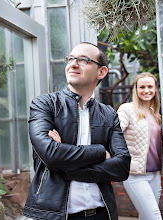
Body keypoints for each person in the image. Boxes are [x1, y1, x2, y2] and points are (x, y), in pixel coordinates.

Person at [23, 42, 131, 220]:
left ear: (101, 72)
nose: (73, 64)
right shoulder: (45, 104)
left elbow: (122, 166)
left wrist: (65, 167)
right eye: (71, 59)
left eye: (83, 60)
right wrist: (101, 152)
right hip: (55, 215)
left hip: (102, 214)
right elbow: (51, 154)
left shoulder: (109, 114)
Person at [117, 72, 163, 220]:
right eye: (142, 87)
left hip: (155, 174)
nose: (146, 90)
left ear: (155, 89)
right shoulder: (127, 109)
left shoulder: (155, 113)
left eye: (150, 86)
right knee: (154, 217)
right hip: (135, 175)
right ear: (136, 89)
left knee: (146, 216)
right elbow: (115, 132)